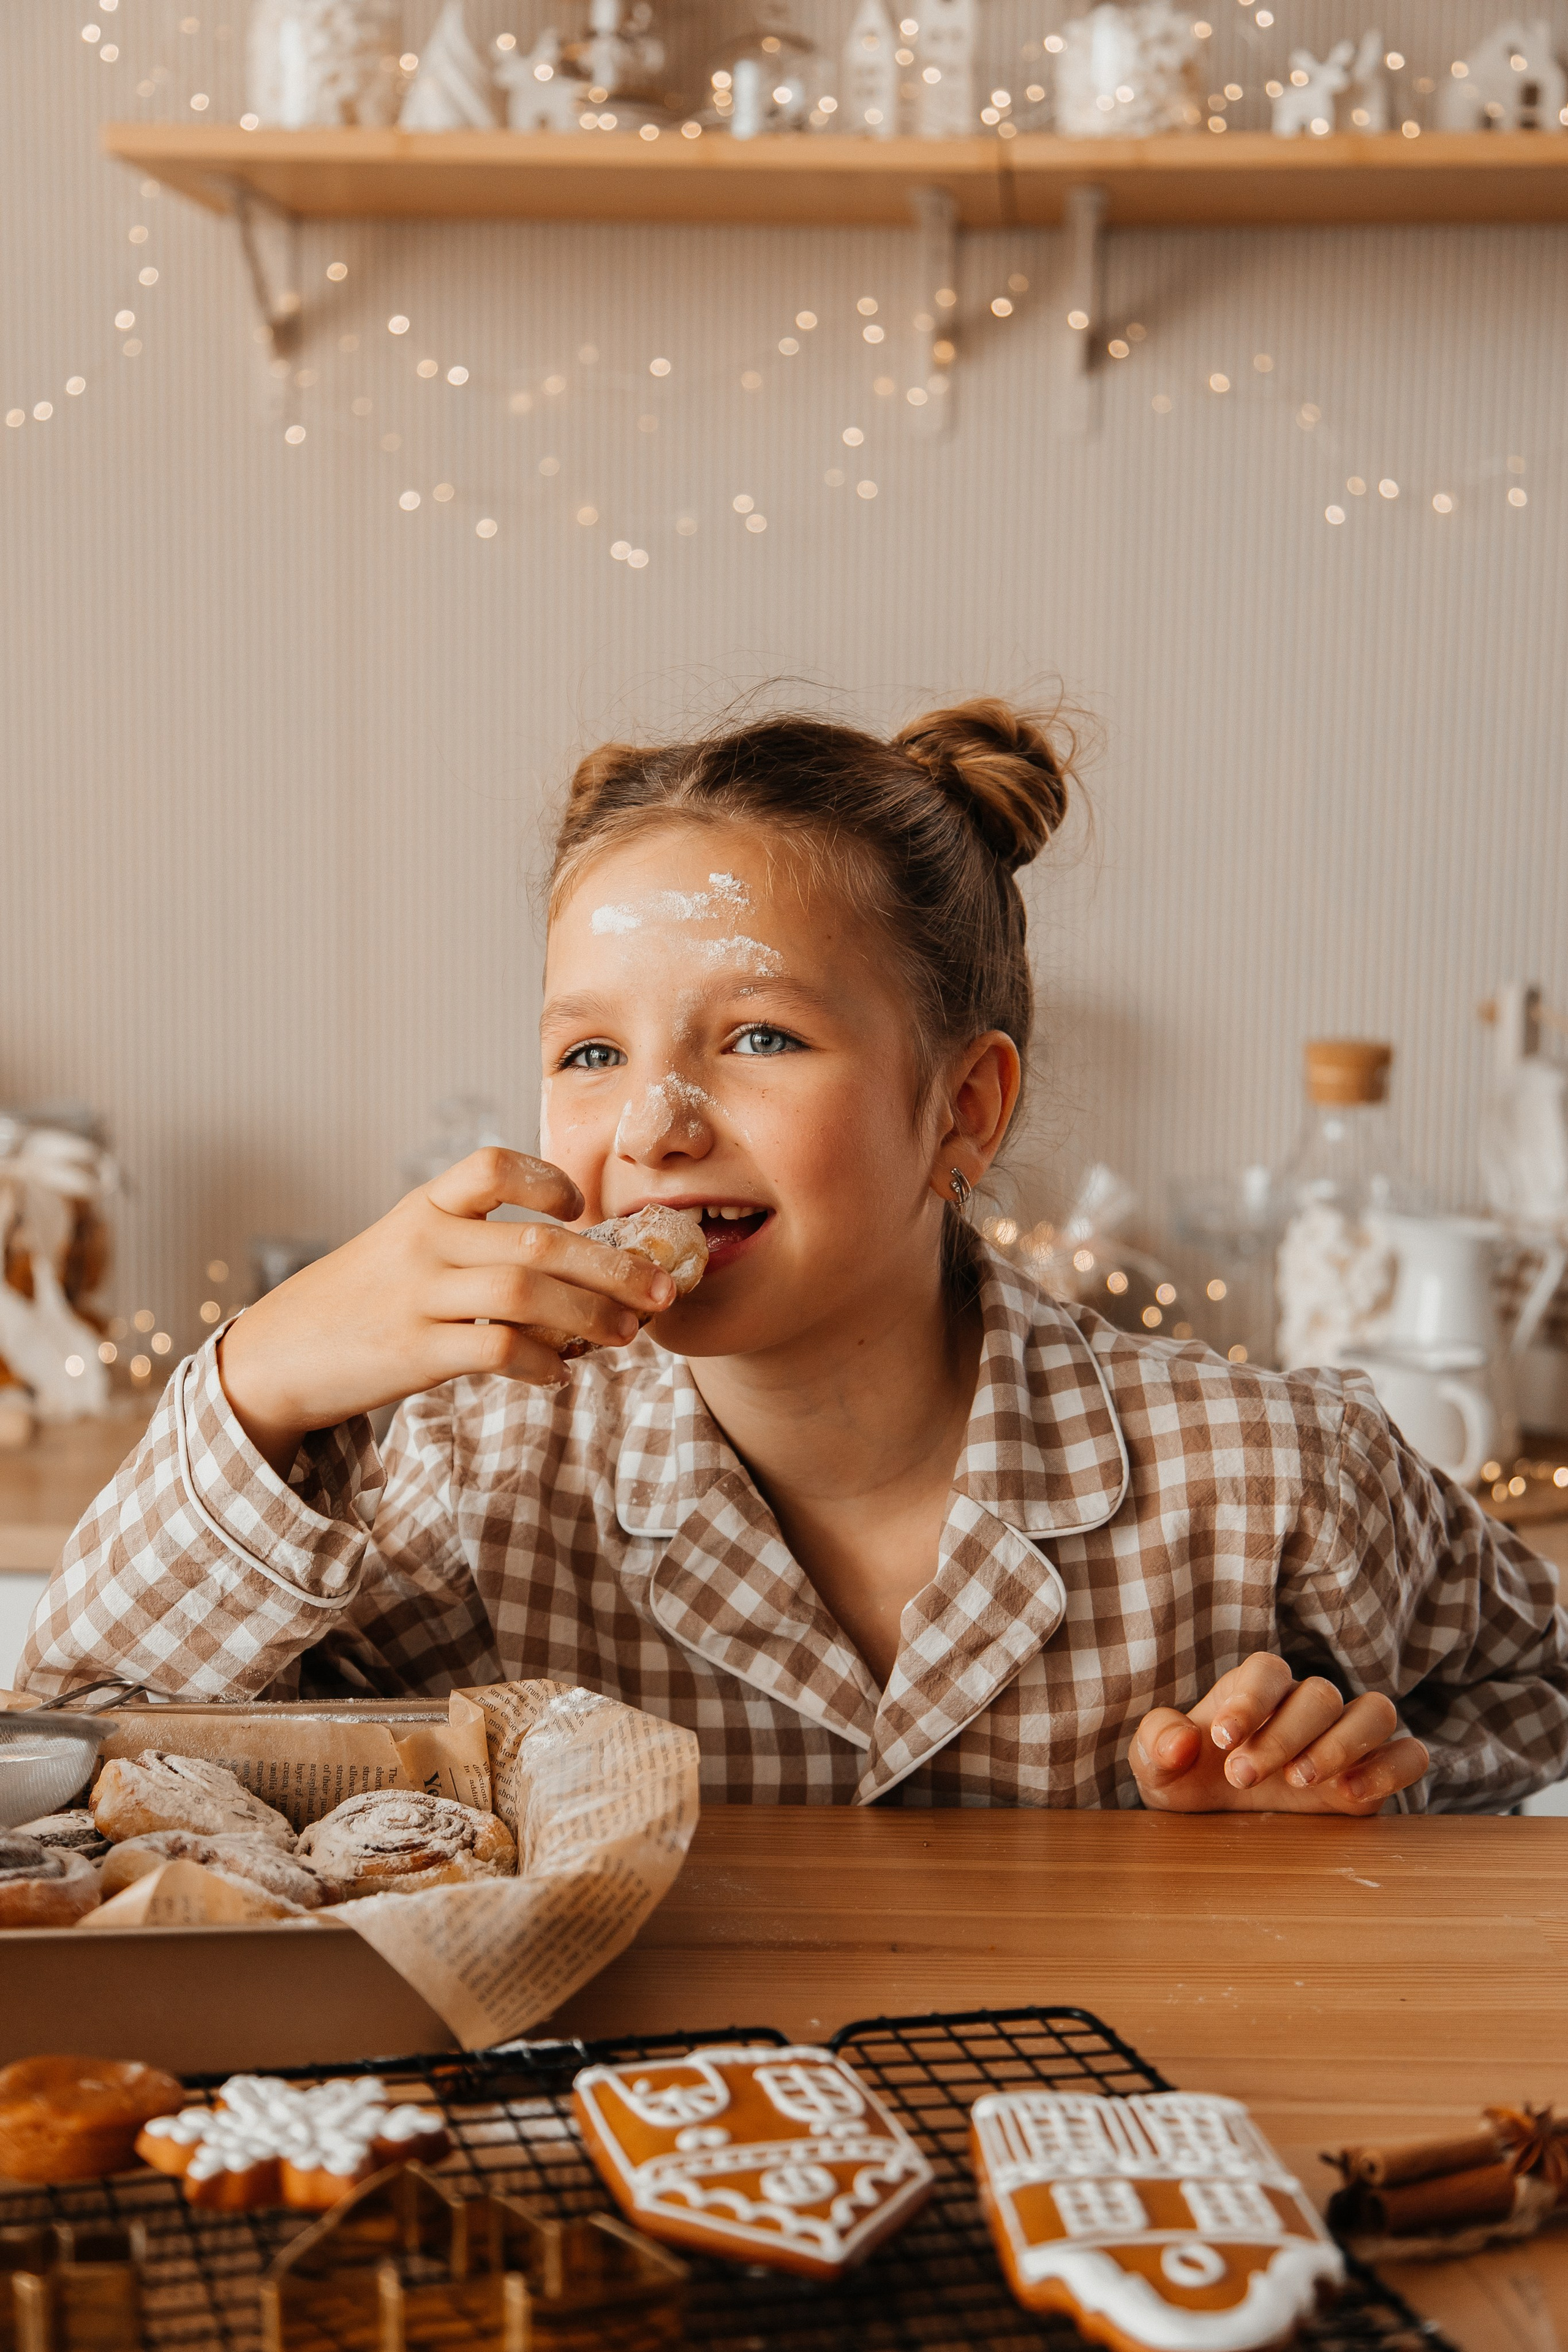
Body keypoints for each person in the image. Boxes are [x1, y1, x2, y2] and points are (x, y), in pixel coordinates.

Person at [20, 701, 1568, 1813]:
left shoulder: (1272, 1477)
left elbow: (1534, 1704)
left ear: (963, 1105)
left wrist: (1361, 1797)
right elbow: (84, 1756)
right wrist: (265, 1377)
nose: (655, 1124)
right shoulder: (466, 1482)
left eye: (759, 1037)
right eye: (589, 1053)